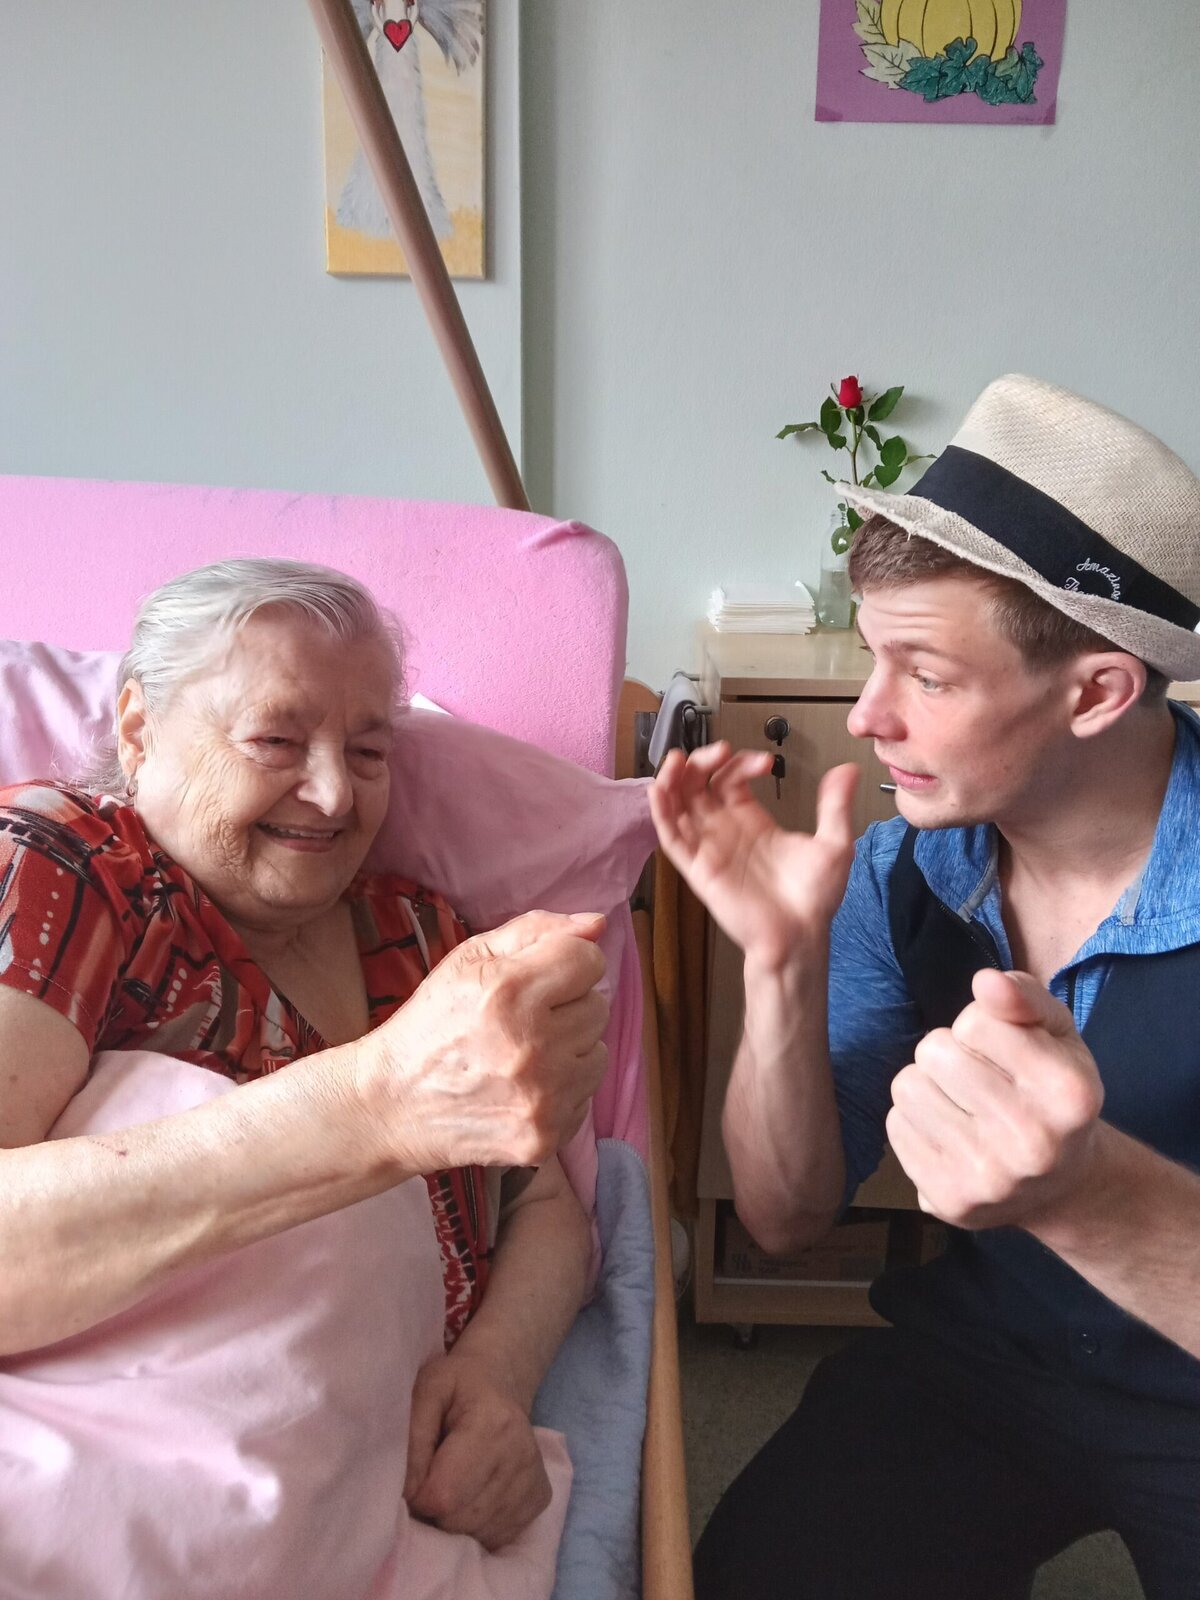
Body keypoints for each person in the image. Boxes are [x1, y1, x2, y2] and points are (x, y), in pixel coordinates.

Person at [652, 375, 1200, 1600]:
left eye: (928, 676)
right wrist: (778, 964)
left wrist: (1086, 1192)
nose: (866, 715)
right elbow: (787, 1217)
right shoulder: (903, 872)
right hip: (994, 1351)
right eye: (871, 658)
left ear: (1098, 691)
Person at [0, 559, 610, 1571]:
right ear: (140, 727)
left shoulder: (424, 940)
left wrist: (496, 1374)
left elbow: (545, 1203)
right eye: (276, 741)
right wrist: (374, 1107)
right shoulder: (71, 867)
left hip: (350, 1485)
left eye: (368, 751)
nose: (332, 795)